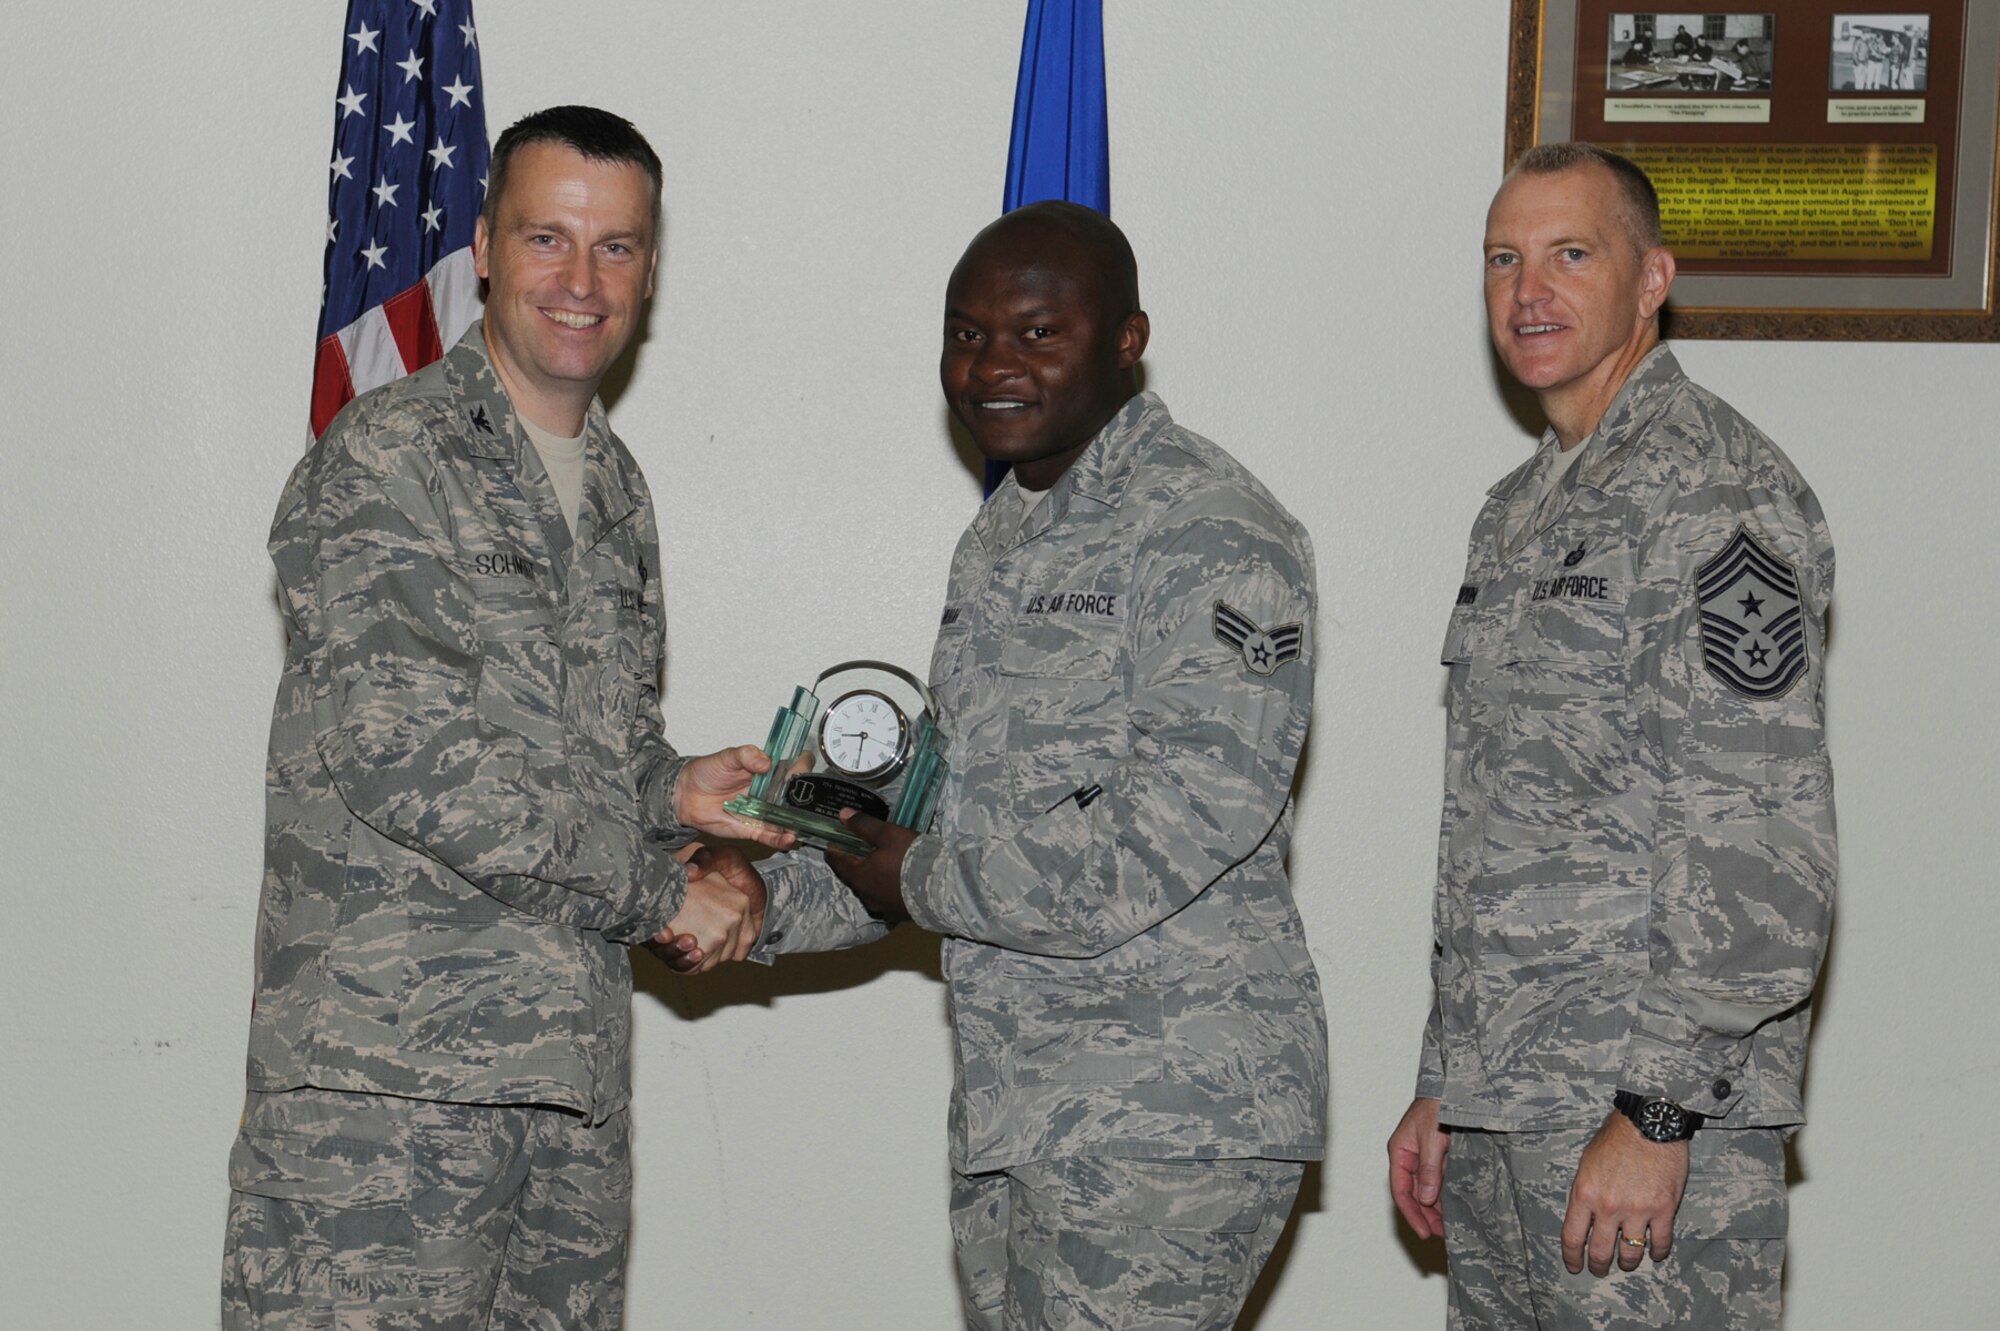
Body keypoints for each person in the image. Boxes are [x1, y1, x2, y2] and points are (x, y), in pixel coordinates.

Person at [221, 106, 790, 1329]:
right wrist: (660, 894)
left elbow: (580, 748)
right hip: (385, 1105)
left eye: (618, 248)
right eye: (548, 238)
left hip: (564, 1093)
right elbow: (415, 761)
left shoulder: (616, 486)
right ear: (481, 247)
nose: (581, 282)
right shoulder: (387, 459)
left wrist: (673, 789)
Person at [757, 201, 1327, 1330]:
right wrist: (734, 895)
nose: (990, 366)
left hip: (1163, 1111)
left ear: (1126, 339)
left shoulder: (1205, 526)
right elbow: (942, 814)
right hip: (1029, 1102)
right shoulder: (1009, 530)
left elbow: (1179, 819)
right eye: (964, 334)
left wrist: (917, 877)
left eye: (1036, 333)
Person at [1386, 144, 1836, 1328]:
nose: (1527, 291)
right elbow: (1498, 825)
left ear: (1651, 280)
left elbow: (1755, 837)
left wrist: (1659, 1111)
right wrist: (1446, 1082)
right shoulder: (1517, 510)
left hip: (1635, 1121)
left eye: (1569, 254)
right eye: (1503, 259)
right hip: (1510, 1110)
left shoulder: (1715, 493)